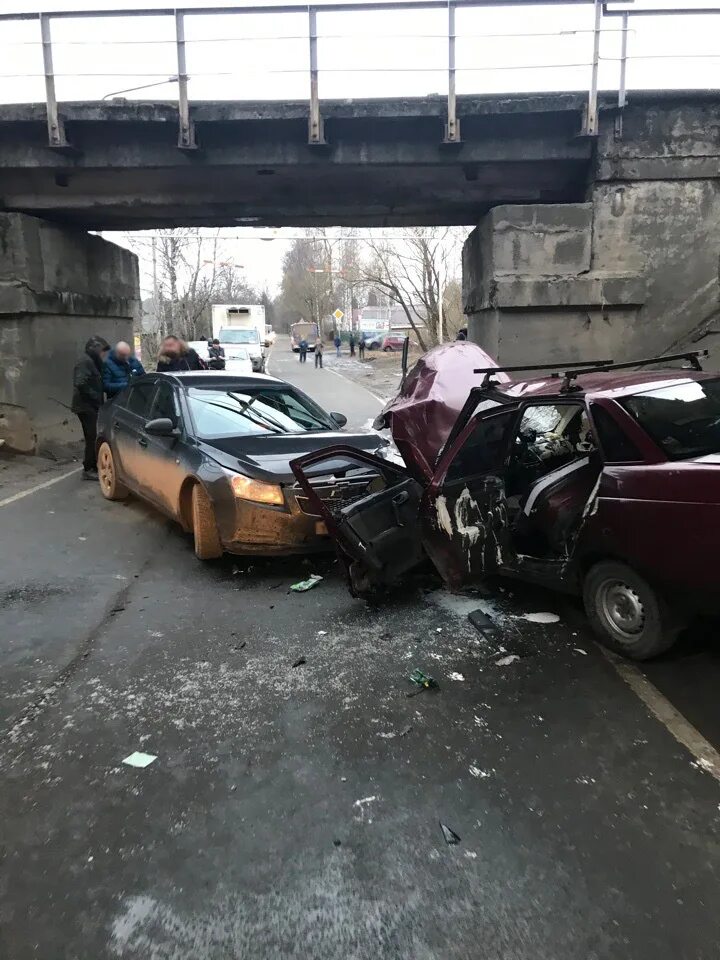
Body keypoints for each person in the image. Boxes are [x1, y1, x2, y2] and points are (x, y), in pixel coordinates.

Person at [71, 336, 110, 480]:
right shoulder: (85, 362)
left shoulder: (92, 362)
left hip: (90, 406)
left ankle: (92, 465)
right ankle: (88, 468)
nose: (103, 355)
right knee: (91, 436)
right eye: (102, 351)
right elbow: (80, 383)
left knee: (93, 436)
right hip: (86, 407)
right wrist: (95, 397)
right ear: (94, 349)